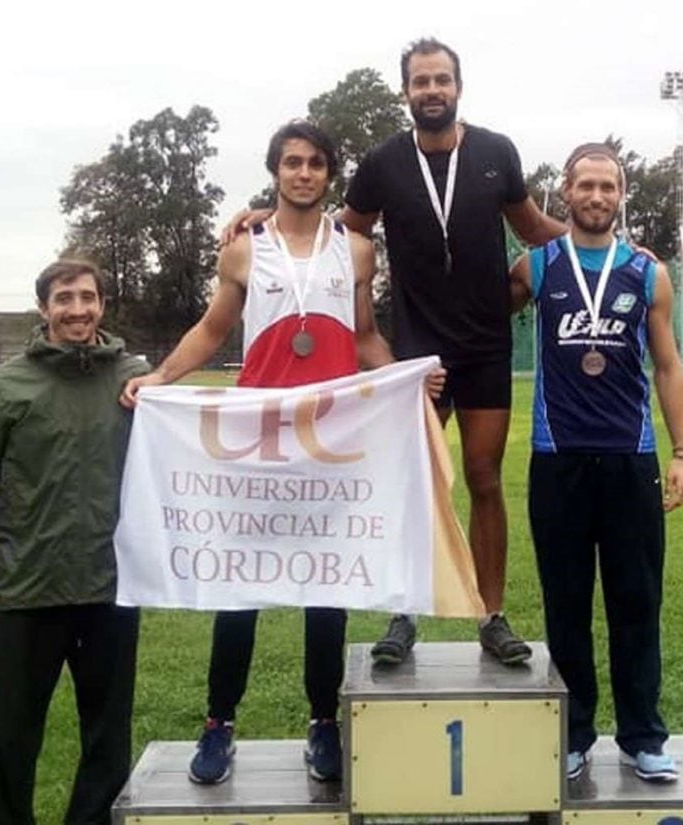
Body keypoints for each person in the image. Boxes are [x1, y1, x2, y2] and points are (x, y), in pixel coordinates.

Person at [121, 120, 444, 785]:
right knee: (239, 585)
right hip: (258, 443)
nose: (304, 173)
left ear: (330, 174)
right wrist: (160, 378)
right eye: (292, 162)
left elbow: (363, 337)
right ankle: (219, 724)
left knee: (327, 586)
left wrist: (408, 377)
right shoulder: (244, 250)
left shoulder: (357, 251)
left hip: (328, 442)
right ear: (275, 171)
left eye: (316, 163)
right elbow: (214, 328)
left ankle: (323, 721)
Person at [339, 38, 568, 666]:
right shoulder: (383, 161)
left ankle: (491, 615)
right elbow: (343, 230)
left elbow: (531, 229)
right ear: (406, 91)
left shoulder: (495, 152)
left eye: (442, 80)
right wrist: (270, 222)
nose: (431, 90)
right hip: (416, 355)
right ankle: (402, 612)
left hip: (487, 347)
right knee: (414, 485)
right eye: (420, 81)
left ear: (458, 87)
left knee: (484, 479)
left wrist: (607, 245)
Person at [0, 259, 149, 824]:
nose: (77, 309)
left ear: (103, 303)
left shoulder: (137, 379)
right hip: (30, 590)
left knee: (107, 737)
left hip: (112, 587)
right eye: (64, 298)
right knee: (10, 738)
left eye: (87, 297)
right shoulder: (6, 387)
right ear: (43, 308)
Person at [509, 143, 683, 782]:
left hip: (630, 458)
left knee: (636, 601)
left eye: (607, 186)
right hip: (556, 461)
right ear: (565, 190)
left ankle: (642, 736)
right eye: (585, 184)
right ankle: (575, 733)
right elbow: (467, 307)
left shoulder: (647, 272)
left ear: (620, 195)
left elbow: (668, 366)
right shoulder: (535, 267)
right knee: (566, 604)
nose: (596, 196)